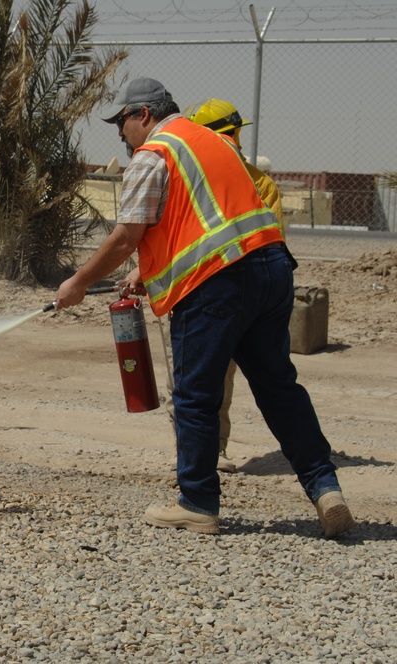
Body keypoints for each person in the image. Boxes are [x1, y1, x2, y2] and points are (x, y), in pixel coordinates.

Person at [54, 78, 355, 537]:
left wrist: (77, 282)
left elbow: (125, 238)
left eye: (121, 122)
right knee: (279, 386)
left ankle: (197, 503)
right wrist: (147, 272)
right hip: (271, 269)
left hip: (216, 284)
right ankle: (326, 488)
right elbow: (205, 216)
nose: (119, 134)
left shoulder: (155, 154)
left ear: (144, 115)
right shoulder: (213, 142)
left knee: (195, 394)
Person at [162, 98, 286, 474]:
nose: (236, 142)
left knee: (197, 379)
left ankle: (205, 455)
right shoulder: (259, 182)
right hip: (242, 292)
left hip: (211, 293)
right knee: (243, 379)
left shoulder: (198, 179)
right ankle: (202, 452)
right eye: (233, 134)